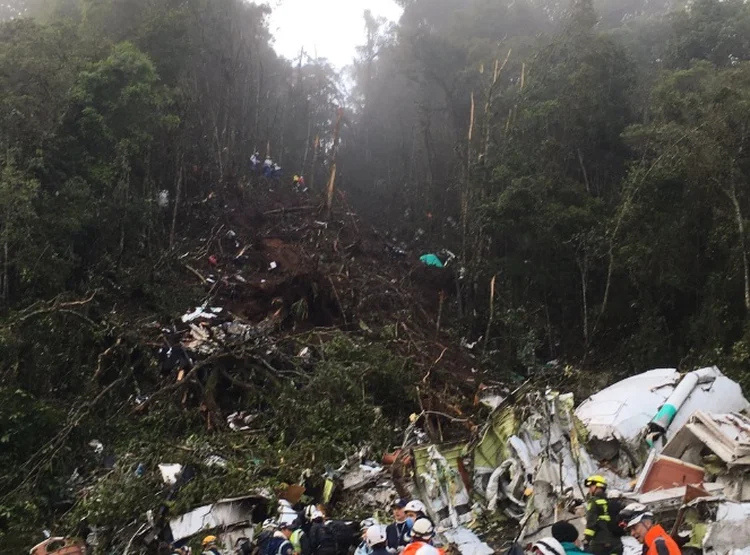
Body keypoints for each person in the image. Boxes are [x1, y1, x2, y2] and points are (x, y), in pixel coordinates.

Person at [583, 475, 621, 555]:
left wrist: (587, 539)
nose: (589, 490)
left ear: (596, 487)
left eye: (591, 487)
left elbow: (591, 522)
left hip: (600, 542)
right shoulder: (611, 502)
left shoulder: (594, 501)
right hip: (615, 542)